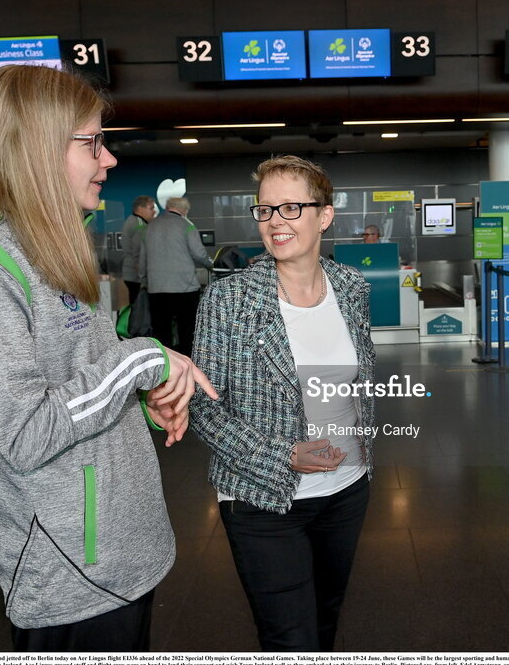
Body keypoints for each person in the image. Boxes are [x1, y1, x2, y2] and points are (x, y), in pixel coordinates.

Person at [0, 65, 217, 651]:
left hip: (120, 552)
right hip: (70, 576)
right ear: (34, 150)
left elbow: (79, 379)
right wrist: (145, 361)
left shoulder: (53, 245)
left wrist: (141, 404)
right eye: (92, 142)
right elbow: (28, 431)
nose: (107, 159)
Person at [190, 155, 376, 651]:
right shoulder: (228, 301)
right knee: (288, 637)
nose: (276, 221)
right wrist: (284, 455)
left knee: (324, 624)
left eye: (292, 207)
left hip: (346, 489)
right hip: (263, 498)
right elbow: (203, 407)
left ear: (325, 215)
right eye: (266, 209)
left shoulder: (352, 289)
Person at [139, 196, 212, 354]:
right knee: (186, 330)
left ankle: (164, 368)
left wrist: (144, 281)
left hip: (156, 289)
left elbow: (142, 259)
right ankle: (187, 366)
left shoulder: (150, 227)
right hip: (184, 288)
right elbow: (199, 253)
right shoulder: (186, 225)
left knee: (161, 331)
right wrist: (211, 265)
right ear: (183, 210)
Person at [121, 195, 156, 305]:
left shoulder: (134, 221)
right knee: (139, 311)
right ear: (140, 209)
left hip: (132, 275)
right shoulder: (139, 225)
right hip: (136, 277)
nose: (154, 212)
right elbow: (139, 255)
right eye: (151, 208)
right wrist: (144, 280)